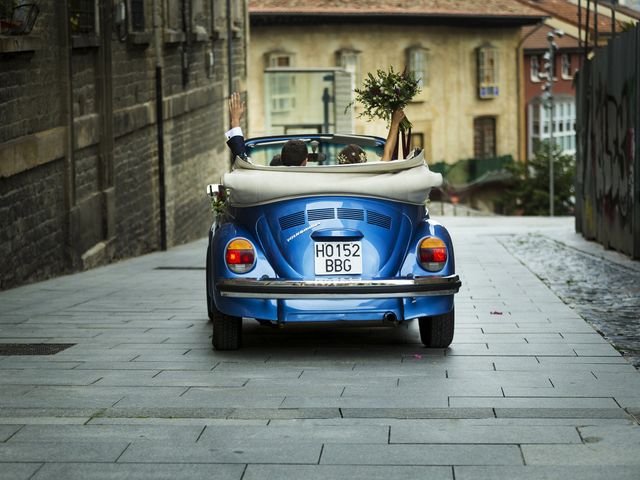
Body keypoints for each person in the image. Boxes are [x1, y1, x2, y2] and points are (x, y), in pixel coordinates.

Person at [226, 92, 308, 166]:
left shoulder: (261, 178)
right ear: (305, 162)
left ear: (282, 159)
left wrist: (235, 120)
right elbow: (241, 159)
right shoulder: (315, 180)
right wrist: (235, 121)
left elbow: (241, 160)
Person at [336, 108, 406, 164]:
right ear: (363, 161)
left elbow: (388, 153)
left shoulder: (331, 179)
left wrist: (395, 123)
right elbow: (388, 153)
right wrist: (395, 123)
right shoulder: (373, 177)